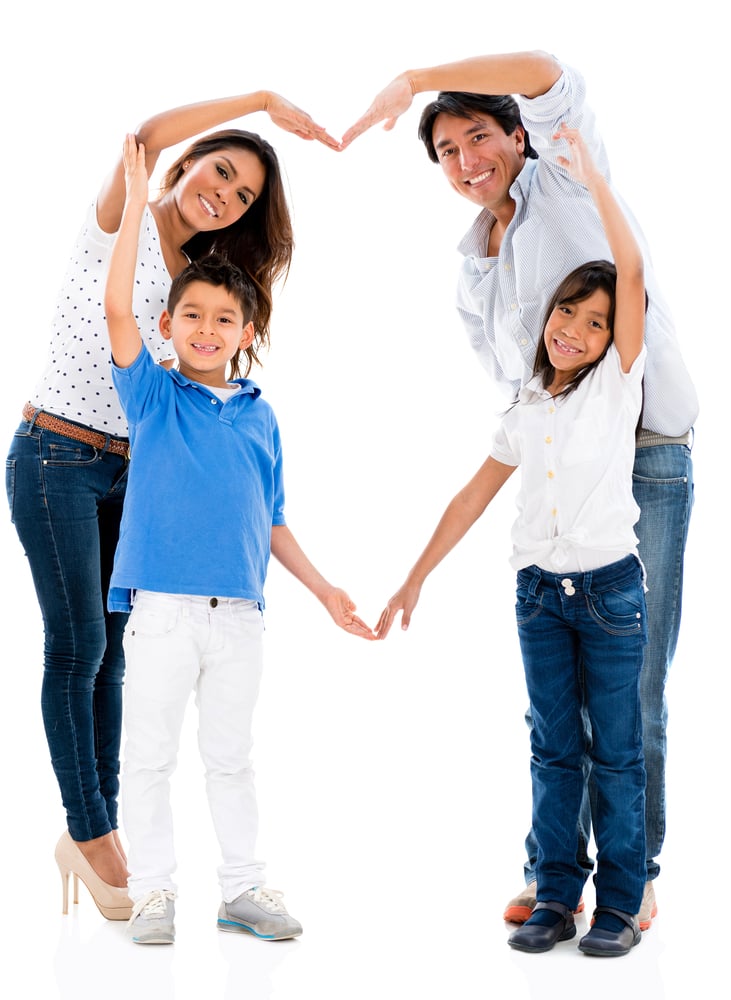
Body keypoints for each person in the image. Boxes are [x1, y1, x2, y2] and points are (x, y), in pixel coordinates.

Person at [342, 50, 697, 930]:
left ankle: (633, 869)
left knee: (634, 686)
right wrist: (418, 570)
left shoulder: (566, 183)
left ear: (514, 136)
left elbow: (543, 68)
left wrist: (414, 80)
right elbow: (518, 408)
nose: (467, 161)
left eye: (478, 136)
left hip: (644, 452)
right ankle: (558, 874)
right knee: (557, 708)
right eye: (447, 151)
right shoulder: (472, 268)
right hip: (560, 487)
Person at [6, 89, 340, 920]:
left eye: (243, 195)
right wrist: (262, 99)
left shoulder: (198, 282)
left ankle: (107, 827)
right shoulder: (118, 223)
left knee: (118, 655)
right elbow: (145, 138)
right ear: (188, 164)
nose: (224, 194)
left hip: (130, 471)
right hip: (55, 452)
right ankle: (89, 835)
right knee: (77, 644)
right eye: (219, 171)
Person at [377, 124, 647, 957]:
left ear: (613, 339)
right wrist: (413, 578)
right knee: (551, 748)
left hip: (607, 593)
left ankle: (620, 903)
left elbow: (629, 273)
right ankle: (555, 894)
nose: (573, 328)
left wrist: (593, 176)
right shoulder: (525, 406)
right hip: (537, 594)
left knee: (616, 756)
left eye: (594, 322)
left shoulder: (615, 386)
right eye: (567, 310)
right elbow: (470, 496)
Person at [104, 134, 375, 945]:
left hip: (240, 617)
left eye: (225, 318)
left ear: (246, 330)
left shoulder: (259, 415)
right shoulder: (153, 394)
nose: (207, 328)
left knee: (231, 758)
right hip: (161, 611)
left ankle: (243, 889)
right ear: (170, 324)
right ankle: (152, 892)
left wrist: (325, 589)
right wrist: (133, 203)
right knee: (149, 756)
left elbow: (274, 519)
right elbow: (118, 308)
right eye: (192, 315)